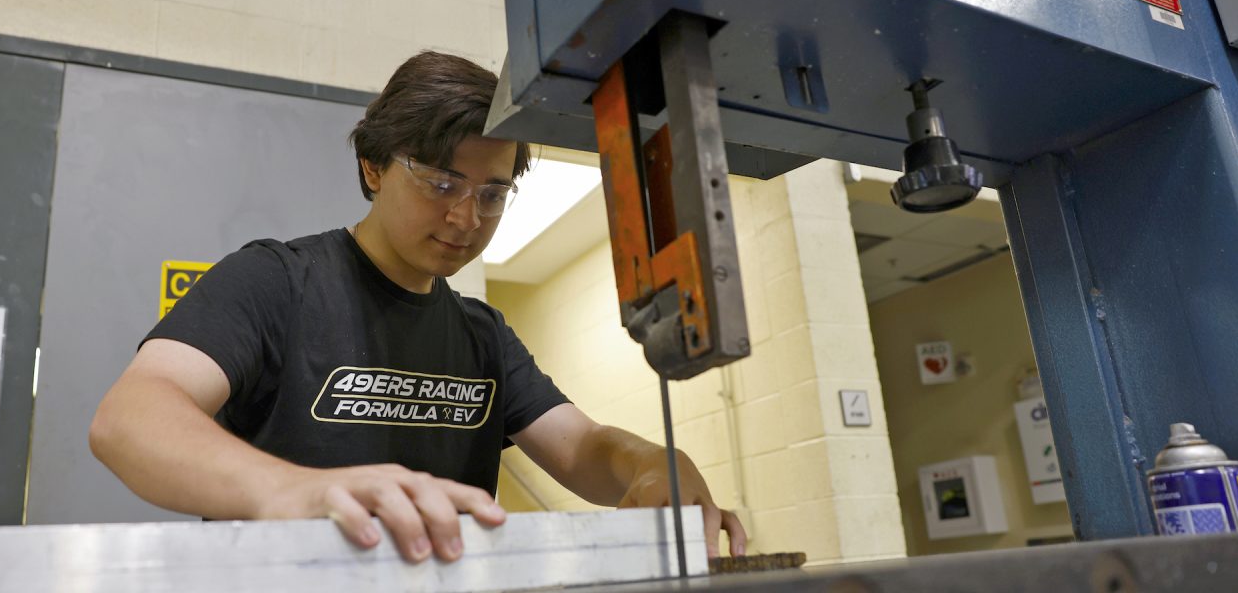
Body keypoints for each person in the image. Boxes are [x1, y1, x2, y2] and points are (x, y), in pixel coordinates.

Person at [89, 50, 746, 564]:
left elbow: (583, 451)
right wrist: (292, 490)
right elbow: (132, 418)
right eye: (440, 182)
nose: (465, 217)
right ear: (374, 166)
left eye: (492, 194)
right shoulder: (275, 283)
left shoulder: (481, 334)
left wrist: (652, 466)